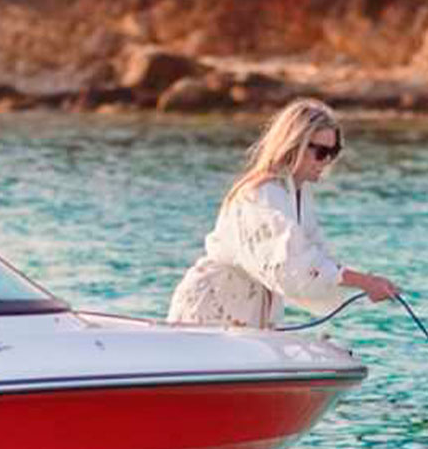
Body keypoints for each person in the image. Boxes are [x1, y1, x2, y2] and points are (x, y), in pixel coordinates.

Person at [166, 98, 399, 329]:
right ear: (294, 145)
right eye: (321, 152)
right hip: (212, 310)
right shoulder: (262, 194)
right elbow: (292, 263)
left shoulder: (298, 193)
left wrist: (367, 283)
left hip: (247, 314)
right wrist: (365, 282)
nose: (327, 160)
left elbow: (317, 257)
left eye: (333, 151)